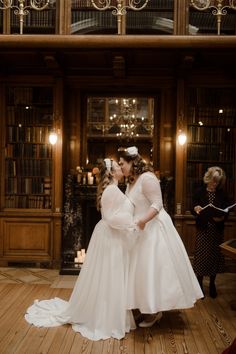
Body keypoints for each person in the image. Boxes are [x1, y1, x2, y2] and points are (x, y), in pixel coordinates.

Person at [25, 159, 137, 341]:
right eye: (116, 166)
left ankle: (111, 313)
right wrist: (131, 223)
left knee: (112, 275)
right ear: (110, 173)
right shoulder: (110, 190)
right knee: (109, 274)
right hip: (110, 236)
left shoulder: (115, 189)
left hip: (114, 236)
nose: (120, 168)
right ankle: (105, 317)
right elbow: (109, 217)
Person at [118, 146, 203, 328]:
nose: (120, 167)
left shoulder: (147, 178)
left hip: (152, 228)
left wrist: (142, 221)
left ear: (132, 162)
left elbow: (157, 204)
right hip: (137, 230)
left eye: (122, 163)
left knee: (152, 270)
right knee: (139, 271)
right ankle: (144, 306)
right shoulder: (131, 181)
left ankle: (155, 312)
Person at [191, 166, 229, 298]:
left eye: (217, 181)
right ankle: (199, 284)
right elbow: (193, 206)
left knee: (214, 257)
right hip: (203, 229)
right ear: (208, 179)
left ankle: (212, 283)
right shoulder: (199, 192)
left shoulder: (222, 194)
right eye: (213, 181)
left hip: (216, 230)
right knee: (201, 257)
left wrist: (223, 216)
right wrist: (195, 208)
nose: (215, 184)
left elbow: (226, 209)